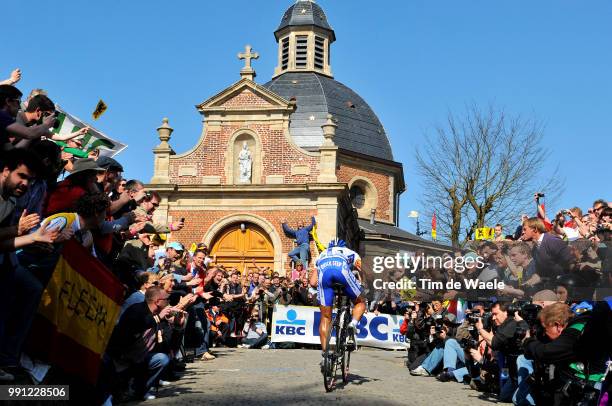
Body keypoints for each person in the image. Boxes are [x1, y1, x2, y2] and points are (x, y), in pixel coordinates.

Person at [309, 238, 366, 371]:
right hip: (342, 272)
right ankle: (353, 324)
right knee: (360, 303)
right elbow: (361, 271)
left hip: (324, 277)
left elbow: (312, 282)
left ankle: (325, 355)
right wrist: (361, 286)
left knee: (325, 318)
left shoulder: (322, 255)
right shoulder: (350, 252)